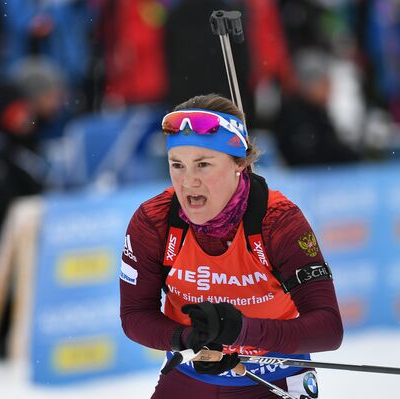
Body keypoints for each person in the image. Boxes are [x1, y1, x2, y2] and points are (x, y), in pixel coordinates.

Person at [120, 93, 343, 398]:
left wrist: (240, 330)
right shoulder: (154, 221)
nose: (188, 181)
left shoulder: (277, 221)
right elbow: (135, 315)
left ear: (239, 163)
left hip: (274, 379)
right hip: (192, 378)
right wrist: (190, 338)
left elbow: (328, 329)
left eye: (203, 164)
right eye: (177, 165)